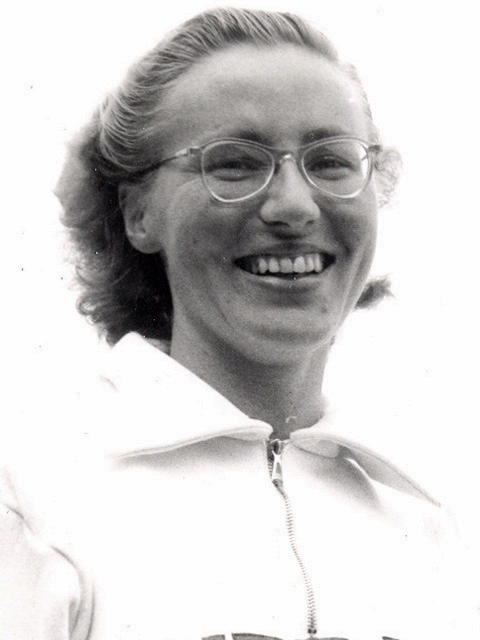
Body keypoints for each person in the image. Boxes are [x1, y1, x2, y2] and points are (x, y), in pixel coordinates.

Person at [0, 7, 477, 640]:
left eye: (332, 161)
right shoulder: (33, 495)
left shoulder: (434, 518)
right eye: (234, 163)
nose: (294, 206)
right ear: (138, 212)